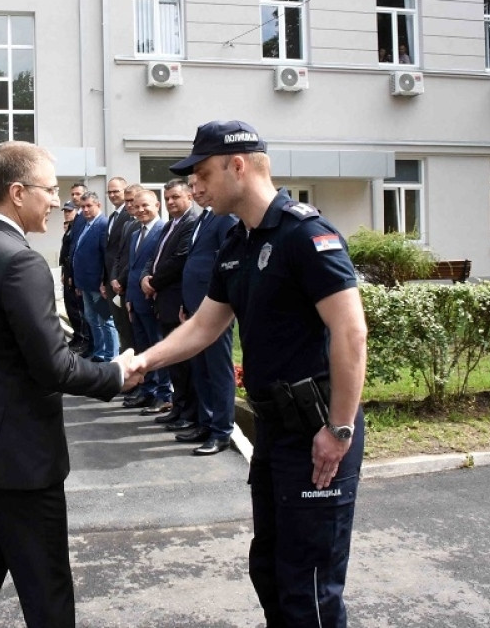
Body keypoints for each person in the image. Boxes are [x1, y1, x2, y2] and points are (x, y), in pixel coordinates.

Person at [129, 120, 367, 627]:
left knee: (311, 586)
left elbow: (351, 334)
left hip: (319, 429)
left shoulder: (308, 235)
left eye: (202, 173)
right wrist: (142, 362)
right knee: (272, 570)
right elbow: (203, 326)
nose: (194, 186)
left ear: (238, 165)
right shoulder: (237, 243)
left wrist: (340, 429)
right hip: (276, 431)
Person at [0, 141, 140, 628]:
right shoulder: (21, 262)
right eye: (49, 190)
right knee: (46, 589)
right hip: (21, 462)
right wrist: (116, 374)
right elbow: (54, 366)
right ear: (17, 192)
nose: (58, 201)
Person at [177, 173, 238, 455]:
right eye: (191, 186)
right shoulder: (204, 218)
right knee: (199, 368)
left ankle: (222, 430)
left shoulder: (225, 218)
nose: (196, 190)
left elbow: (229, 262)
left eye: (199, 185)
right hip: (194, 308)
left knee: (217, 370)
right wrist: (185, 304)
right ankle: (205, 421)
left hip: (214, 309)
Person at [141, 178, 200, 429]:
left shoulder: (191, 223)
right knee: (175, 363)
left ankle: (189, 414)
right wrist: (146, 275)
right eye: (167, 198)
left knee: (185, 364)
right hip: (163, 301)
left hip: (178, 301)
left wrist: (153, 282)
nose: (170, 202)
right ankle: (179, 407)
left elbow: (179, 259)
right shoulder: (170, 225)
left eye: (175, 197)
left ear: (189, 197)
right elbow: (155, 256)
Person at [123, 189, 173, 412]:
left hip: (153, 299)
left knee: (157, 348)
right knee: (143, 348)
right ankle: (148, 391)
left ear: (157, 206)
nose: (141, 210)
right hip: (136, 299)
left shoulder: (164, 231)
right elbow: (133, 269)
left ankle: (164, 394)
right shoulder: (135, 234)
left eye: (146, 205)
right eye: (137, 205)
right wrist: (129, 297)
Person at [73, 191, 118, 362]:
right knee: (92, 319)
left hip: (98, 286)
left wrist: (103, 281)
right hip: (85, 284)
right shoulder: (85, 225)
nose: (85, 210)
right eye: (83, 206)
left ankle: (111, 356)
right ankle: (100, 351)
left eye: (89, 206)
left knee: (106, 321)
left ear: (98, 205)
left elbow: (106, 257)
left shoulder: (103, 225)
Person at [101, 176, 136, 352]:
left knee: (129, 329)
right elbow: (110, 253)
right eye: (110, 192)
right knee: (120, 325)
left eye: (117, 191)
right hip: (112, 280)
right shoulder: (113, 217)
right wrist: (106, 279)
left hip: (124, 282)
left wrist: (119, 280)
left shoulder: (131, 218)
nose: (113, 195)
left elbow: (128, 254)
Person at [59, 201, 85, 353]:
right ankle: (77, 335)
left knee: (77, 309)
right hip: (67, 270)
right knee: (70, 307)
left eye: (70, 211)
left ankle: (83, 338)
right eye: (65, 211)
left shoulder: (77, 228)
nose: (67, 213)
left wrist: (72, 275)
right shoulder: (69, 228)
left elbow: (74, 253)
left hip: (73, 271)